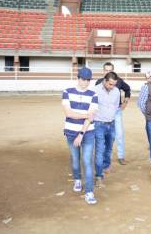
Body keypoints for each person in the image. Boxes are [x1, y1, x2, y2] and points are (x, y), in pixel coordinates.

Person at [61, 67, 98, 205]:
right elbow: (68, 113)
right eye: (83, 79)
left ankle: (89, 191)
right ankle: (77, 179)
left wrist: (81, 133)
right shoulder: (67, 92)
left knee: (87, 161)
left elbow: (91, 118)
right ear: (78, 78)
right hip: (70, 132)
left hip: (87, 132)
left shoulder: (93, 94)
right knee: (75, 159)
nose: (85, 82)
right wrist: (86, 115)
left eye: (88, 80)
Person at [96, 62, 131, 165]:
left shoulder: (118, 81)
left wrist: (125, 102)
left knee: (119, 134)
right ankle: (103, 159)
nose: (108, 72)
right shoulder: (98, 83)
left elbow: (127, 89)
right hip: (101, 114)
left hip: (116, 111)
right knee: (101, 137)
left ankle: (121, 156)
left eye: (110, 70)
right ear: (103, 71)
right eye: (106, 70)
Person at [93, 72, 120, 187]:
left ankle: (106, 165)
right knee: (99, 150)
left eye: (114, 84)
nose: (112, 87)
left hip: (112, 124)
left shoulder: (117, 91)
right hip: (99, 124)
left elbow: (116, 105)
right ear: (104, 81)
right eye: (110, 84)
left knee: (109, 148)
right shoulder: (95, 90)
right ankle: (99, 176)